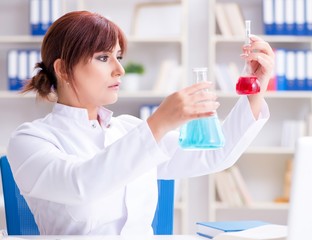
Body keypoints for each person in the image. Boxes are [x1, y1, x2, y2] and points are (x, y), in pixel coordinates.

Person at [7, 11, 274, 235]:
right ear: (63, 69)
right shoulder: (31, 140)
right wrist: (158, 124)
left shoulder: (129, 129)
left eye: (119, 57)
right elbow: (80, 184)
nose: (119, 70)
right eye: (103, 58)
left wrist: (256, 91)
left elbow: (214, 154)